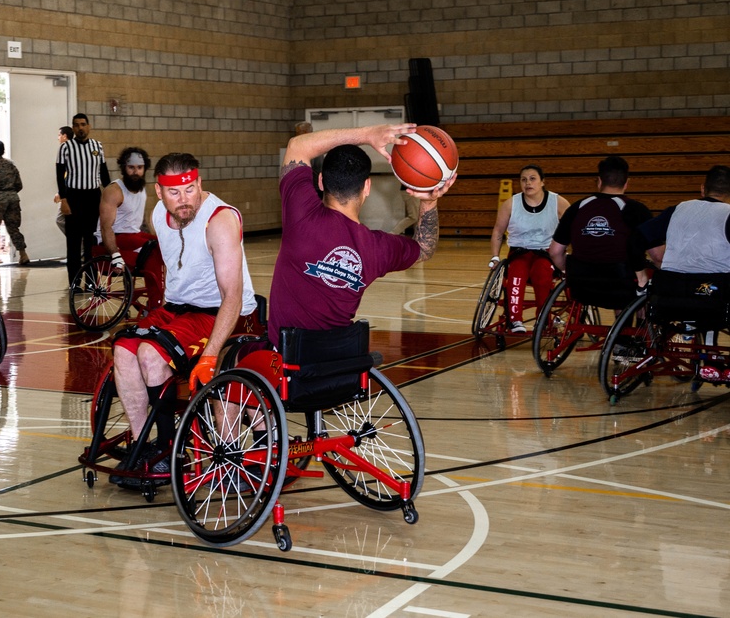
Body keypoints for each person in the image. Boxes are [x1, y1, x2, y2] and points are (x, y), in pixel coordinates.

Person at [110, 153, 257, 487]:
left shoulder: (220, 220)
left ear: (199, 183)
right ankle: (142, 447)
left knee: (151, 355)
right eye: (175, 193)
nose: (185, 199)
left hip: (221, 312)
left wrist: (210, 354)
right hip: (178, 309)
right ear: (159, 192)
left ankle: (168, 451)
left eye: (190, 189)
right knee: (123, 349)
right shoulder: (158, 215)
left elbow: (232, 297)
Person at [268, 123, 454, 345]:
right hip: (339, 364)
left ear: (319, 182)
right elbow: (425, 248)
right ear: (367, 187)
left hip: (286, 360)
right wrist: (429, 201)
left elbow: (298, 146)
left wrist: (367, 135)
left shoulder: (301, 216)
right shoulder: (377, 248)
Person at [635, 165, 730, 381]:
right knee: (716, 291)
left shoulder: (677, 209)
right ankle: (711, 359)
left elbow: (636, 239)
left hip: (668, 294)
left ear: (702, 189)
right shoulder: (728, 214)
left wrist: (641, 274)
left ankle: (692, 336)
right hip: (711, 298)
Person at [548, 156, 652, 305]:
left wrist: (568, 271)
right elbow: (658, 256)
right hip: (621, 287)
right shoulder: (637, 210)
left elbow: (555, 252)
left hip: (581, 286)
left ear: (599, 181)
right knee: (643, 275)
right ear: (627, 183)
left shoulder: (577, 207)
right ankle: (631, 324)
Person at [489, 164, 570, 333]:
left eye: (533, 179)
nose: (528, 183)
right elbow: (498, 230)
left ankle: (543, 319)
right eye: (524, 180)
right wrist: (495, 256)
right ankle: (515, 320)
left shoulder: (558, 202)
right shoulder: (511, 203)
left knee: (542, 276)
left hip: (546, 253)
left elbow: (574, 227)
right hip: (519, 252)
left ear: (542, 182)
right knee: (516, 275)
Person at [95, 147, 164, 308]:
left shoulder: (141, 188)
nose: (135, 172)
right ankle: (156, 305)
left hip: (134, 234)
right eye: (131, 167)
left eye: (139, 168)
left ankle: (168, 295)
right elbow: (106, 228)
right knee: (153, 250)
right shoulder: (114, 191)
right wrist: (115, 254)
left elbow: (139, 222)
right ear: (123, 168)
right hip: (116, 237)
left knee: (166, 243)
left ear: (144, 168)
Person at [59, 114, 109, 287]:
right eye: (76, 125)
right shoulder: (66, 147)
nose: (80, 128)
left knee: (91, 243)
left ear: (88, 126)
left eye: (82, 124)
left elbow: (104, 174)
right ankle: (74, 284)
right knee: (73, 244)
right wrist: (64, 199)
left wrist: (110, 196)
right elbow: (59, 175)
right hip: (74, 197)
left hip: (93, 197)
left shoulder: (98, 146)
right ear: (73, 128)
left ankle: (91, 282)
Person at [53, 125, 75, 238]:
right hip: (70, 190)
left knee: (60, 219)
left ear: (64, 136)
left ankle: (79, 243)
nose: (58, 138)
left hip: (69, 192)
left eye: (59, 135)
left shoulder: (65, 149)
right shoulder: (73, 149)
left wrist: (61, 193)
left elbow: (66, 173)